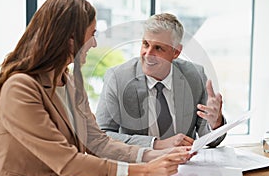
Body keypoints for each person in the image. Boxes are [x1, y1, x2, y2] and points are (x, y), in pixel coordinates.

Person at [0, 0, 193, 176]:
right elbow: (67, 161)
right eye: (92, 34)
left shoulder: (69, 82)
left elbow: (97, 142)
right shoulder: (19, 88)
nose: (95, 44)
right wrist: (145, 170)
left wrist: (156, 155)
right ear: (70, 39)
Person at [96, 13, 226, 150]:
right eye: (146, 44)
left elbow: (209, 139)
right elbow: (101, 136)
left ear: (176, 52)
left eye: (158, 48)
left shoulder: (195, 76)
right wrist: (156, 144)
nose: (148, 54)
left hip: (185, 165)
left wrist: (216, 123)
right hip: (141, 166)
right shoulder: (118, 78)